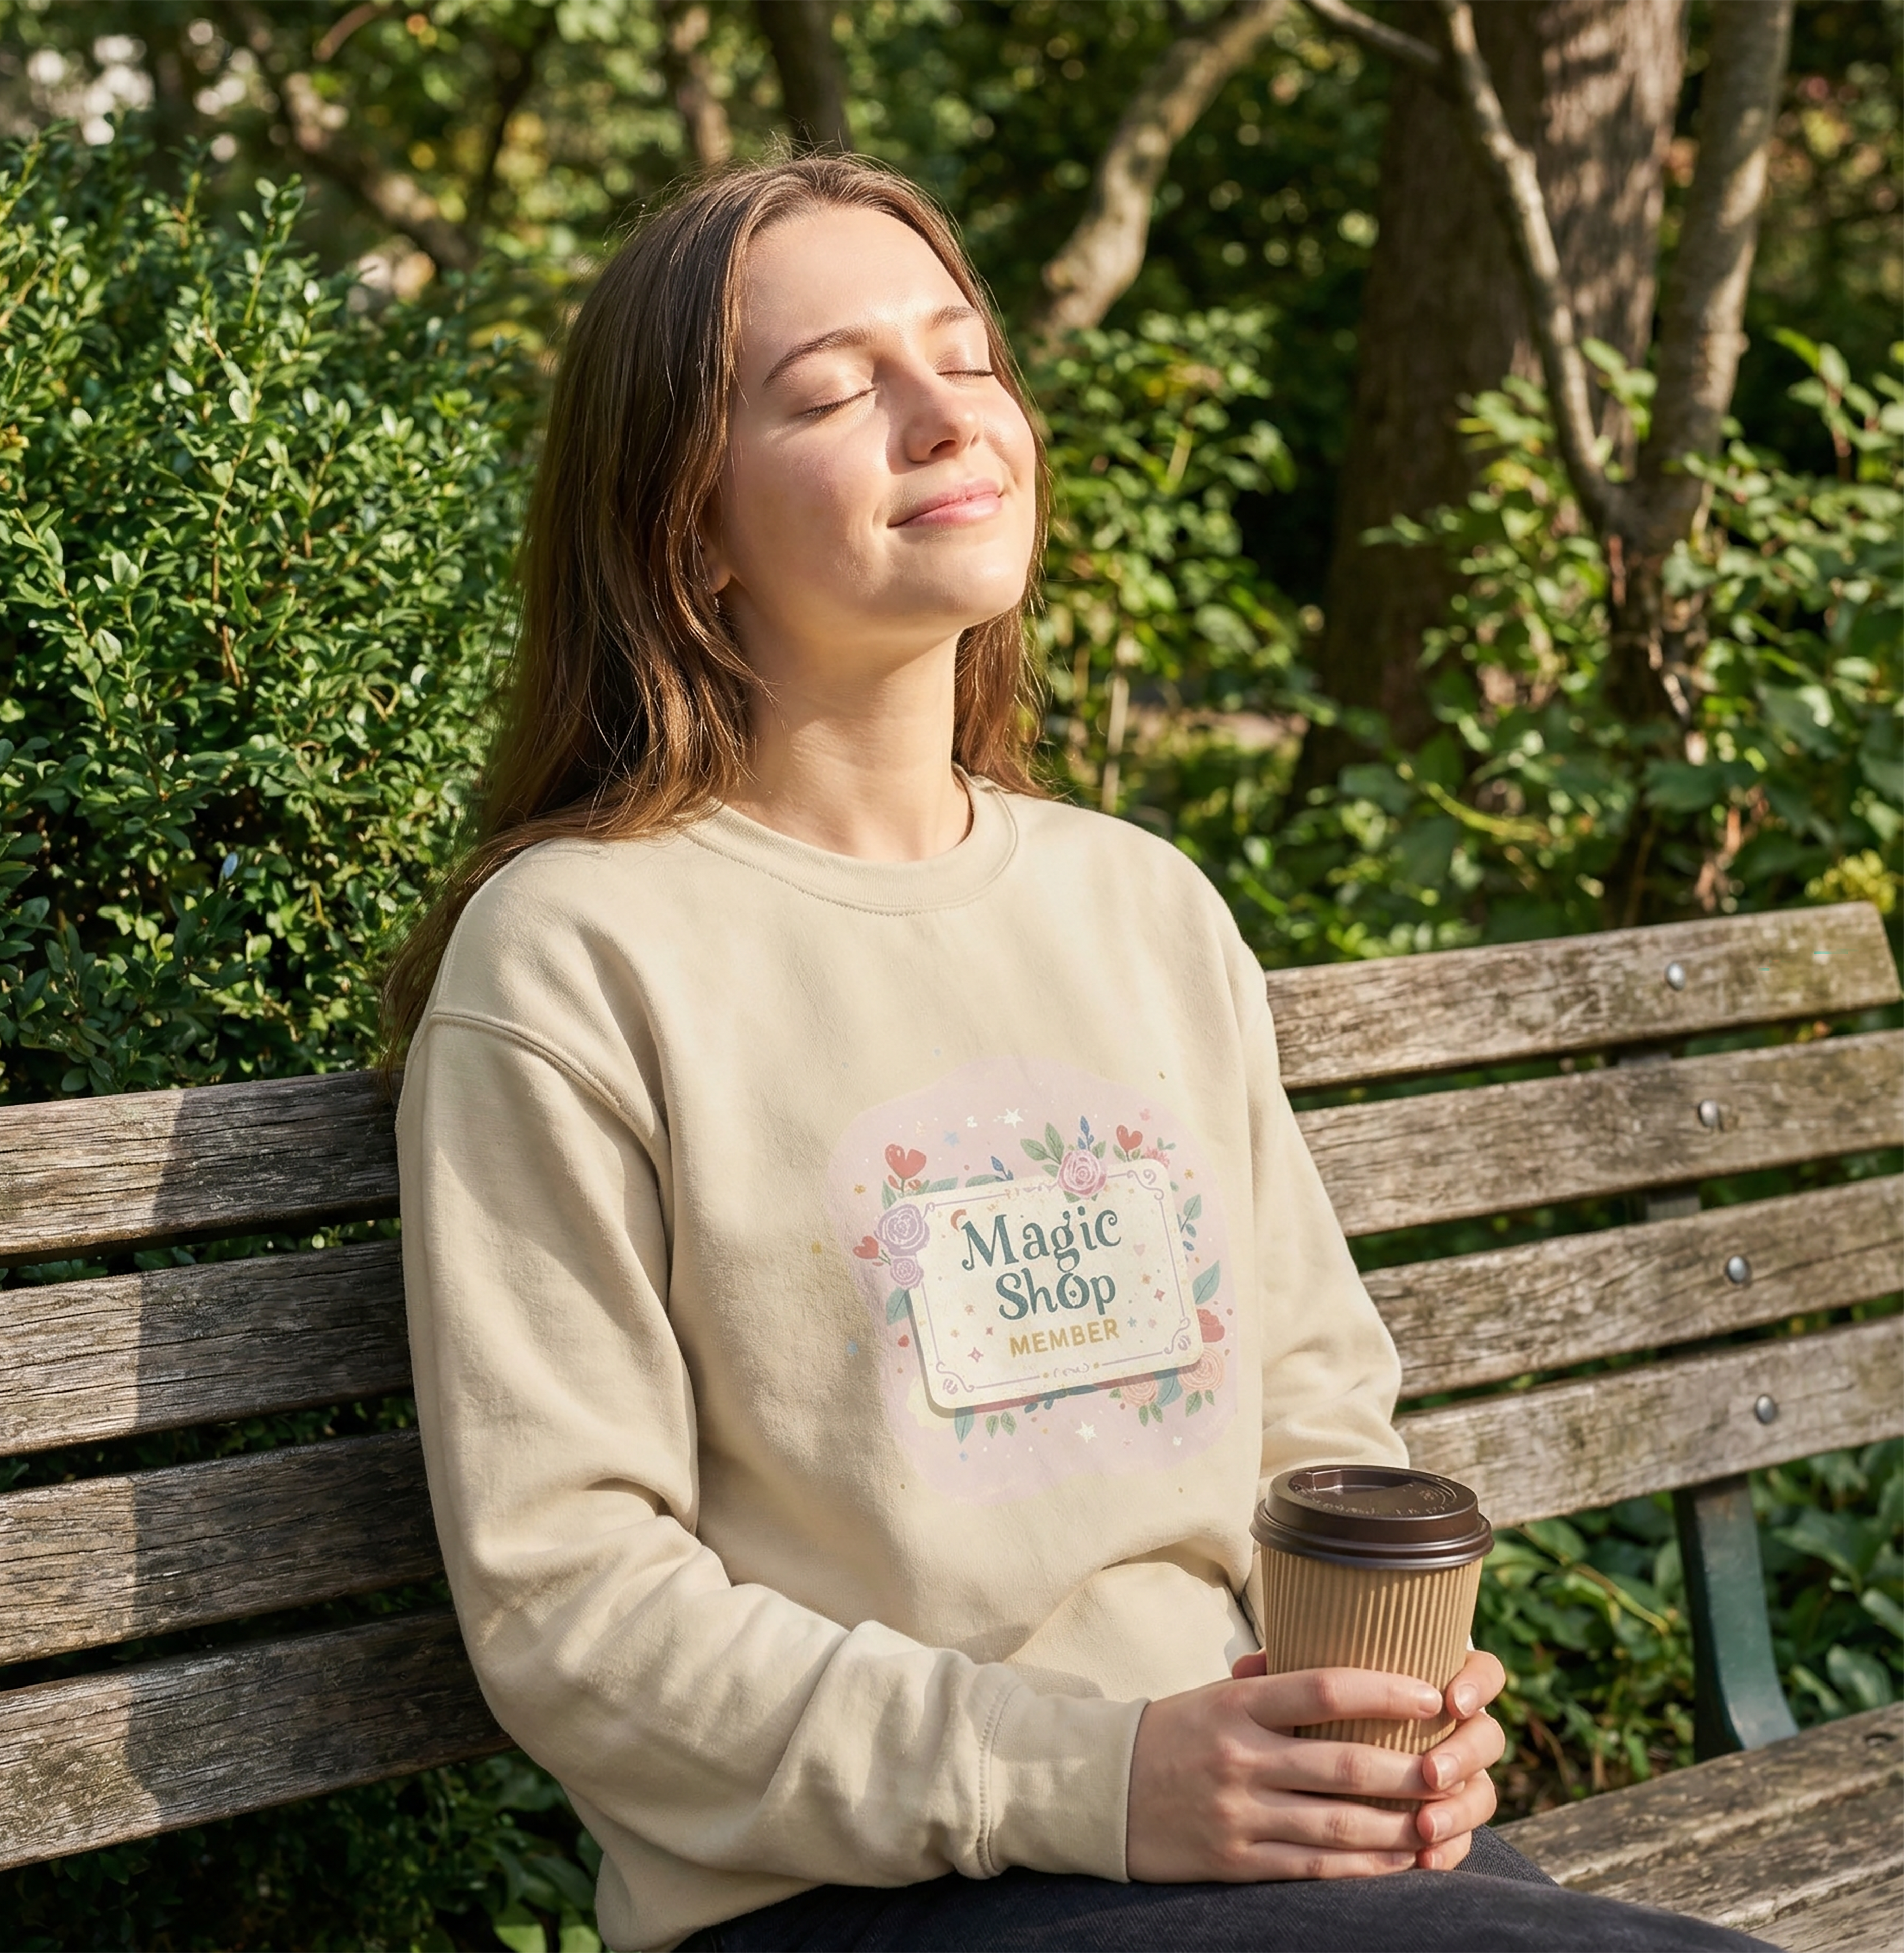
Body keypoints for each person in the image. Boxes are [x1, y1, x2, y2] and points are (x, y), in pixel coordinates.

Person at [385, 156, 1779, 1953]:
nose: (940, 415)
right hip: (864, 1898)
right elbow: (576, 1610)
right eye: (831, 389)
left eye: (966, 358)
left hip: (1242, 1853)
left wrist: (1376, 1714)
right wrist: (1093, 1779)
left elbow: (1311, 1407)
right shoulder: (579, 955)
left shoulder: (1144, 907)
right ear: (688, 526)